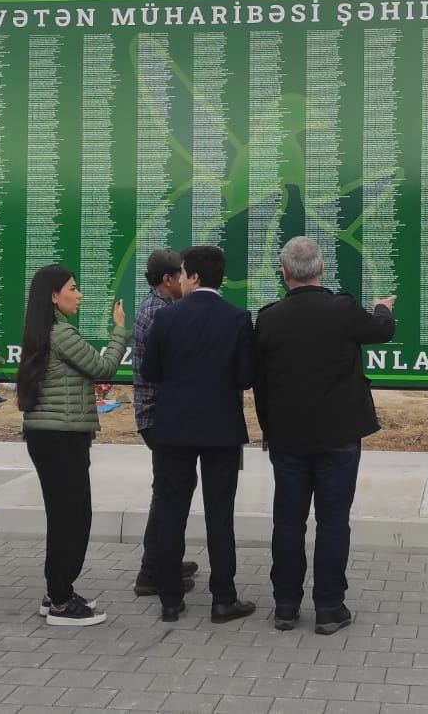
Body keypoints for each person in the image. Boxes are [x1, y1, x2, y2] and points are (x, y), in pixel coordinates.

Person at [253, 237, 394, 634]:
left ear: (284, 273)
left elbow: (259, 384)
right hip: (340, 437)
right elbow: (381, 330)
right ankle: (330, 607)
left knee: (288, 521)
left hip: (288, 438)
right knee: (333, 522)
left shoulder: (269, 318)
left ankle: (285, 605)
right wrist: (383, 307)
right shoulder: (343, 309)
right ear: (321, 270)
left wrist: (269, 429)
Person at [141, 245, 257, 623]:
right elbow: (245, 376)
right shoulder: (238, 318)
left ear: (192, 277)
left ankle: (170, 599)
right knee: (219, 514)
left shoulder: (168, 318)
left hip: (173, 427)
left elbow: (152, 371)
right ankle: (223, 598)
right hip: (222, 429)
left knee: (172, 511)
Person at [16, 265, 130, 626]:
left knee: (72, 515)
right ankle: (61, 602)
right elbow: (104, 369)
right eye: (73, 288)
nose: (78, 294)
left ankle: (58, 591)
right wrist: (119, 330)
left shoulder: (46, 331)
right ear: (54, 296)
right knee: (70, 518)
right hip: (59, 437)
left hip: (57, 436)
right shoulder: (62, 334)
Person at [130, 249, 198, 597]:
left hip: (158, 413)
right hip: (159, 415)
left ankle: (164, 558)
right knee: (170, 492)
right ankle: (152, 571)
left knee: (172, 488)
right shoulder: (160, 312)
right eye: (183, 276)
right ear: (168, 280)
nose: (187, 281)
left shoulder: (159, 307)